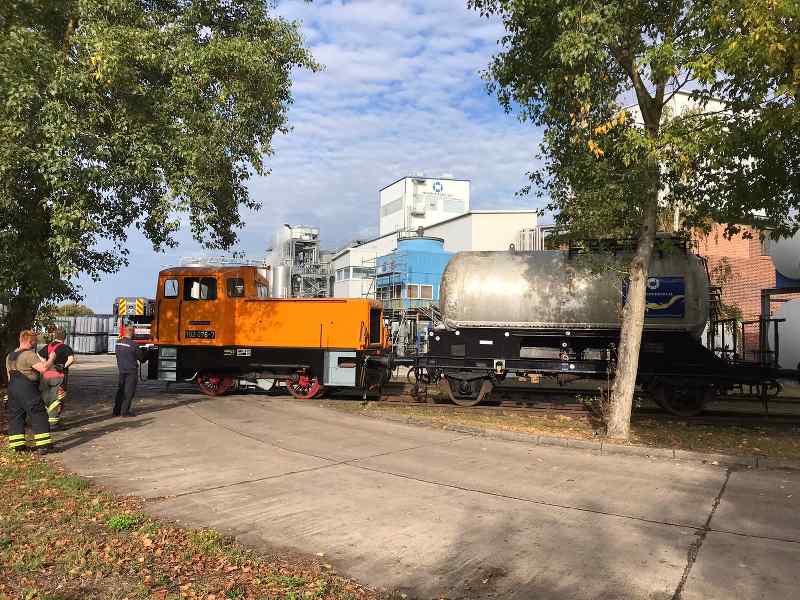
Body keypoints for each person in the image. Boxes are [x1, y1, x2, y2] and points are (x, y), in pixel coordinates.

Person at [6, 330, 56, 453]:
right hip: (27, 388)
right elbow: (43, 368)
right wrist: (51, 358)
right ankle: (44, 446)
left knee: (16, 416)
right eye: (35, 341)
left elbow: (9, 375)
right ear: (30, 341)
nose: (36, 343)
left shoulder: (10, 356)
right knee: (38, 413)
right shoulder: (29, 354)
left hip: (12, 388)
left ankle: (17, 446)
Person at [38, 327, 75, 429]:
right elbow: (71, 359)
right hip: (59, 376)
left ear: (55, 336)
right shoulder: (66, 348)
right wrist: (64, 366)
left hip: (46, 375)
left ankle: (45, 420)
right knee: (59, 396)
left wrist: (45, 363)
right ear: (64, 337)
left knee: (47, 396)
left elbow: (39, 355)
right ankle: (54, 422)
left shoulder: (48, 346)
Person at [113, 329, 144, 417]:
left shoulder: (118, 343)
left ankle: (116, 411)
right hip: (131, 371)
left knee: (120, 390)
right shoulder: (134, 344)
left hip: (122, 369)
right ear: (132, 334)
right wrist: (146, 354)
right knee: (129, 392)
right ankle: (125, 412)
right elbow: (141, 358)